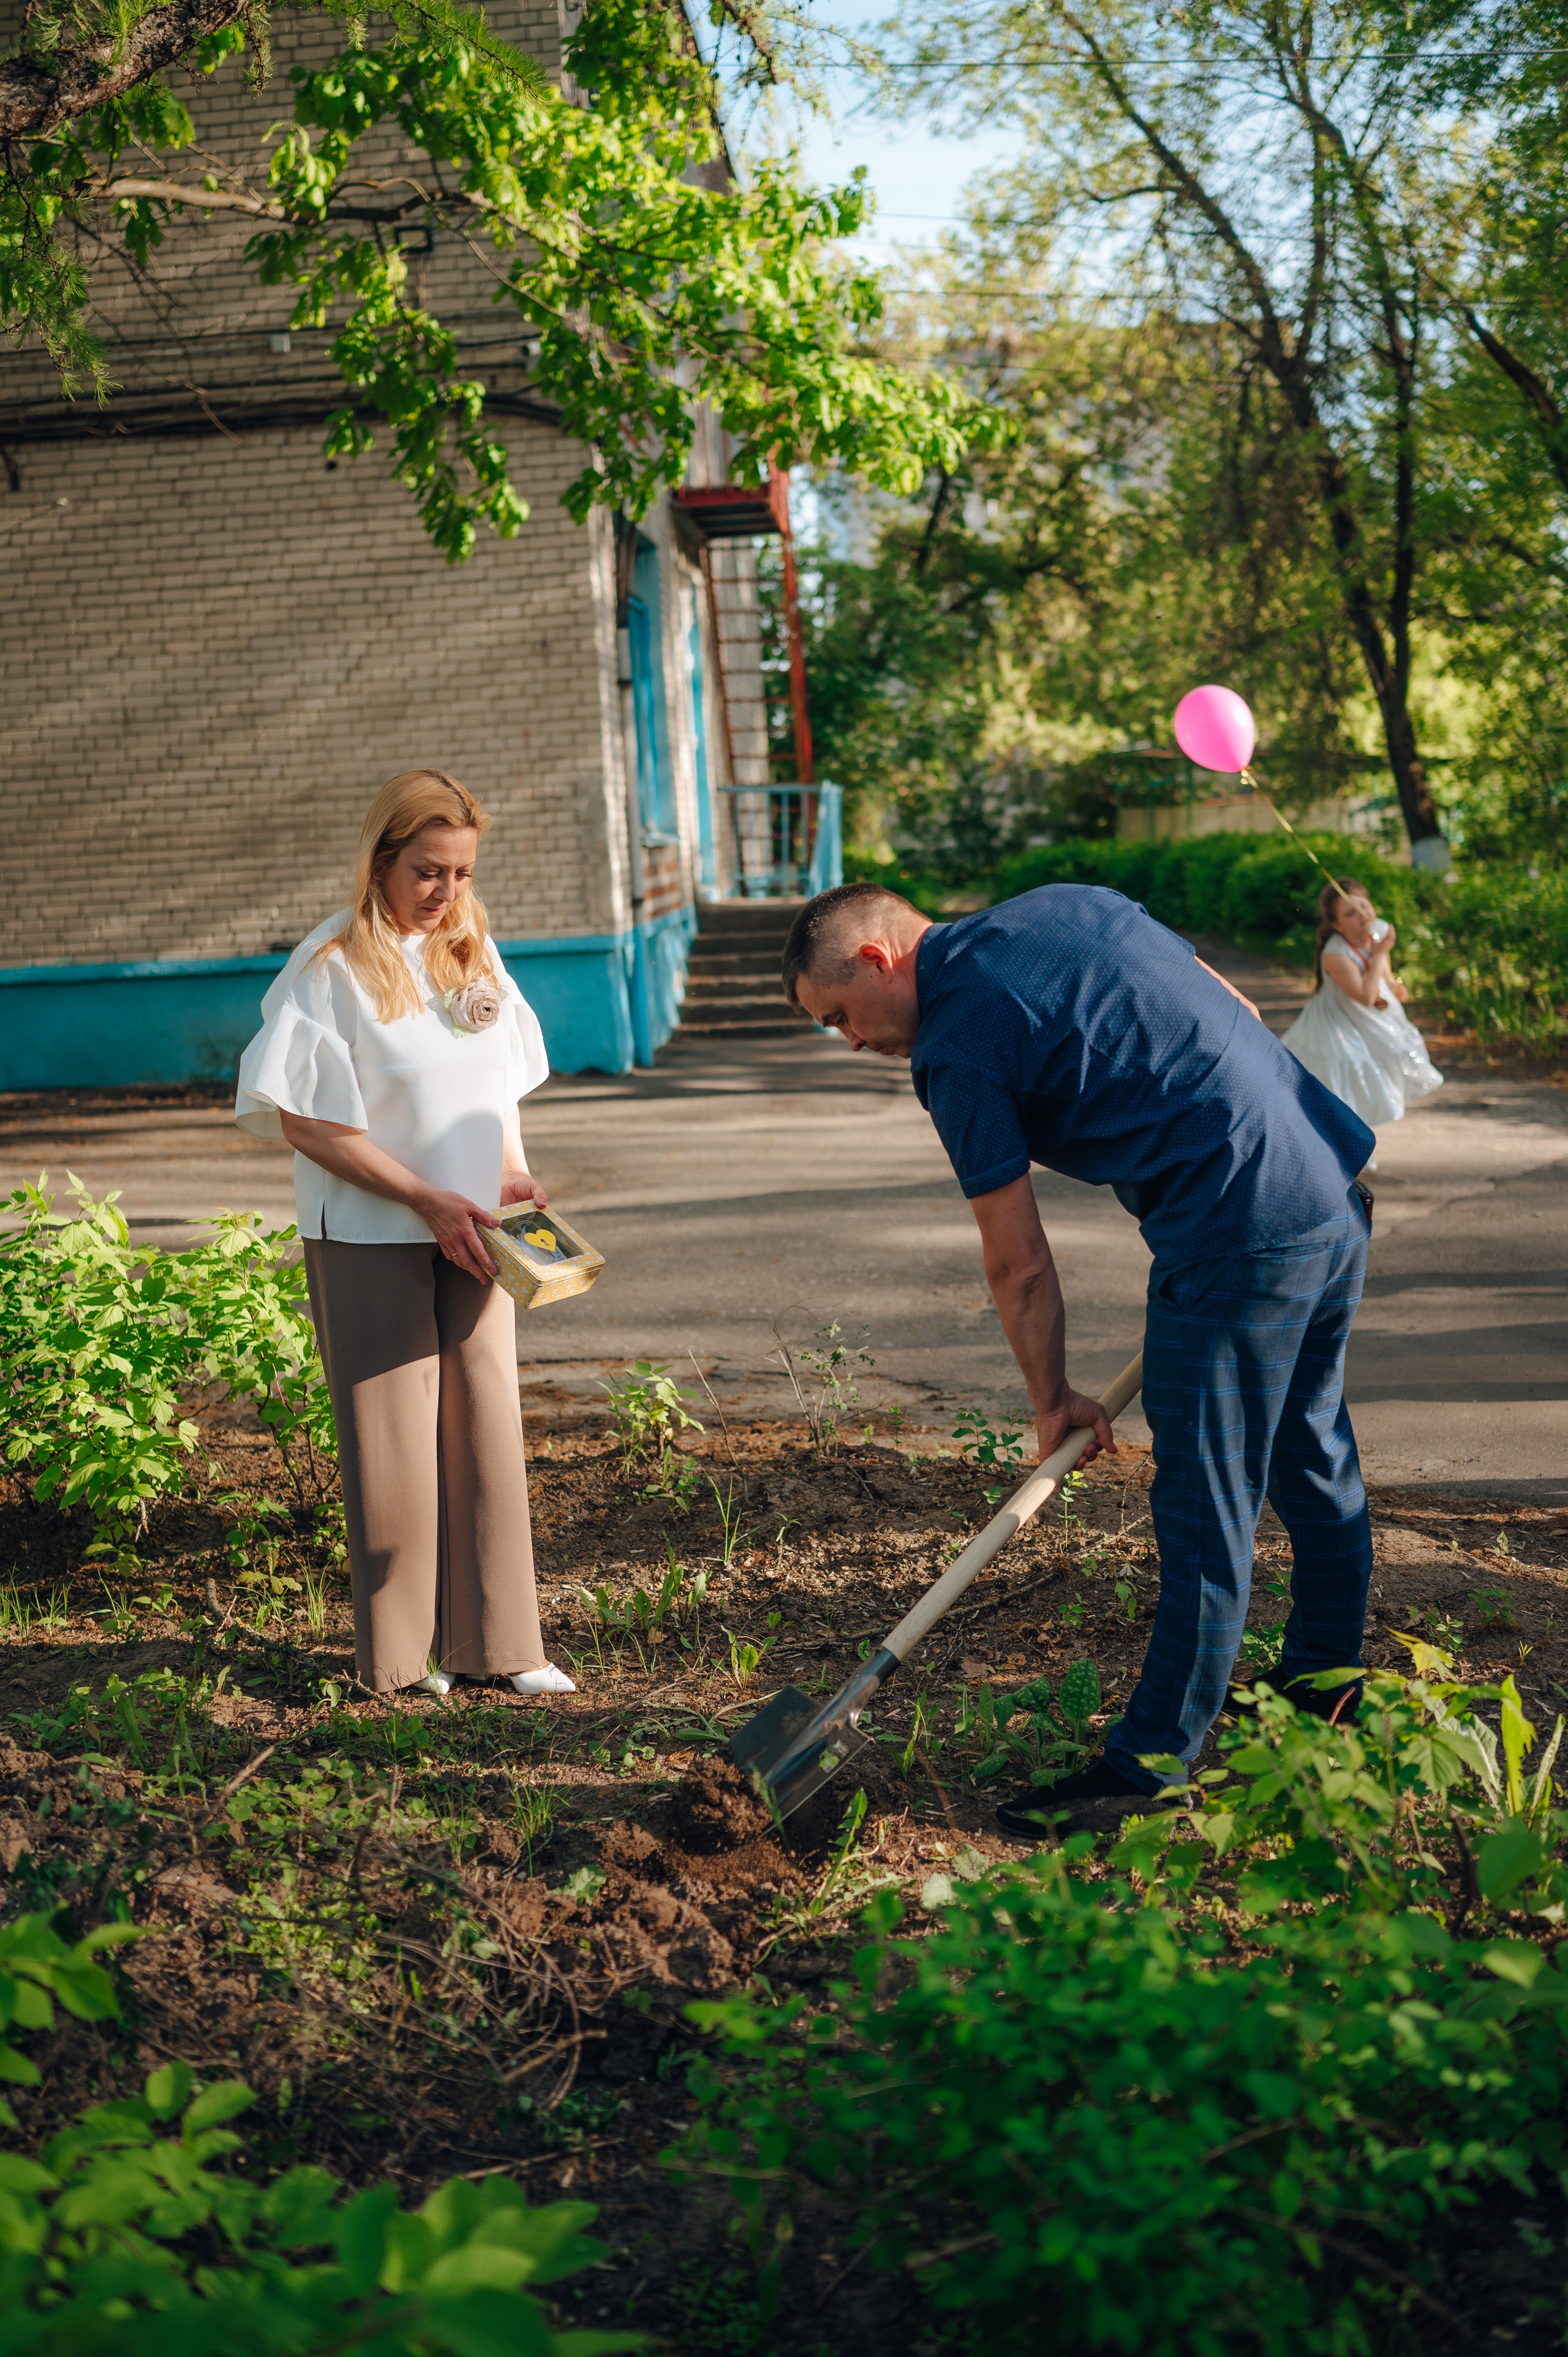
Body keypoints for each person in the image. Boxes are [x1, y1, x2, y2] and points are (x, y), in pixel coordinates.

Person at [782, 880, 1377, 1838]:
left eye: (840, 1016)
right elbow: (1237, 1006)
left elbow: (1017, 1260)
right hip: (1328, 1179)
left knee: (1203, 1498)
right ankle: (1326, 1689)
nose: (850, 1041)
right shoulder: (1069, 905)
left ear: (878, 960)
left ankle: (1148, 1770)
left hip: (1237, 1233)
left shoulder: (956, 1046)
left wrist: (1050, 1397)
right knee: (1312, 1450)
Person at [235, 769, 576, 1703]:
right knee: (390, 1441)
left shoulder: (473, 951)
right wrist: (425, 1199)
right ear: (381, 859)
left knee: (485, 1421)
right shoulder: (330, 967)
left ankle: (503, 1646)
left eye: (463, 872)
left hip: (474, 1226)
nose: (448, 892)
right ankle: (399, 1662)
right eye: (429, 871)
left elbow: (497, 1082)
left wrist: (507, 1168)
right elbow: (307, 1121)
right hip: (372, 1234)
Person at [1281, 877, 1442, 1164]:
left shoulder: (1379, 930)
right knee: (1346, 1079)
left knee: (1380, 1068)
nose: (1362, 917)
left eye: (1364, 907)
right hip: (1339, 1022)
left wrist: (1392, 984)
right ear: (1338, 926)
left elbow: (1382, 971)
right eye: (1350, 914)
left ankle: (1355, 1145)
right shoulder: (1336, 955)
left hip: (1370, 1017)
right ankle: (1343, 1152)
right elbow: (1365, 997)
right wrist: (1380, 955)